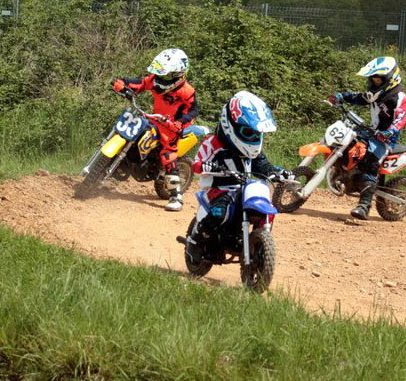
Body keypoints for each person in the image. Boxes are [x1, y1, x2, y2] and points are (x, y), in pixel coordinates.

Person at [186, 90, 294, 263]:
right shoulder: (213, 143)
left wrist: (279, 173)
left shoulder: (254, 152)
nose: (254, 138)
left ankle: (258, 243)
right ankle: (194, 242)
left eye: (257, 134)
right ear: (230, 125)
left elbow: (265, 166)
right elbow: (197, 164)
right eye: (249, 132)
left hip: (244, 187)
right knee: (219, 212)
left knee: (265, 206)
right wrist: (208, 166)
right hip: (219, 188)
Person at [112, 48, 199, 212]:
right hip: (154, 119)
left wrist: (180, 122)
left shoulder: (187, 91)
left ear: (177, 74)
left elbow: (193, 110)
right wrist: (122, 84)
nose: (160, 78)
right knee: (133, 131)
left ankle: (176, 196)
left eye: (165, 75)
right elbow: (139, 83)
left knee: (167, 155)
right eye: (159, 74)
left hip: (171, 126)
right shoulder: (154, 80)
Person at [328, 56, 406, 220]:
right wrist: (341, 97)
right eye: (373, 79)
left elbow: (401, 119)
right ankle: (345, 174)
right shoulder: (376, 93)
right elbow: (359, 97)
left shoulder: (398, 97)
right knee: (346, 143)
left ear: (389, 79)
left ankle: (364, 206)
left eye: (378, 80)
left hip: (385, 137)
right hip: (371, 131)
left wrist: (389, 132)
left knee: (370, 162)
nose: (374, 83)